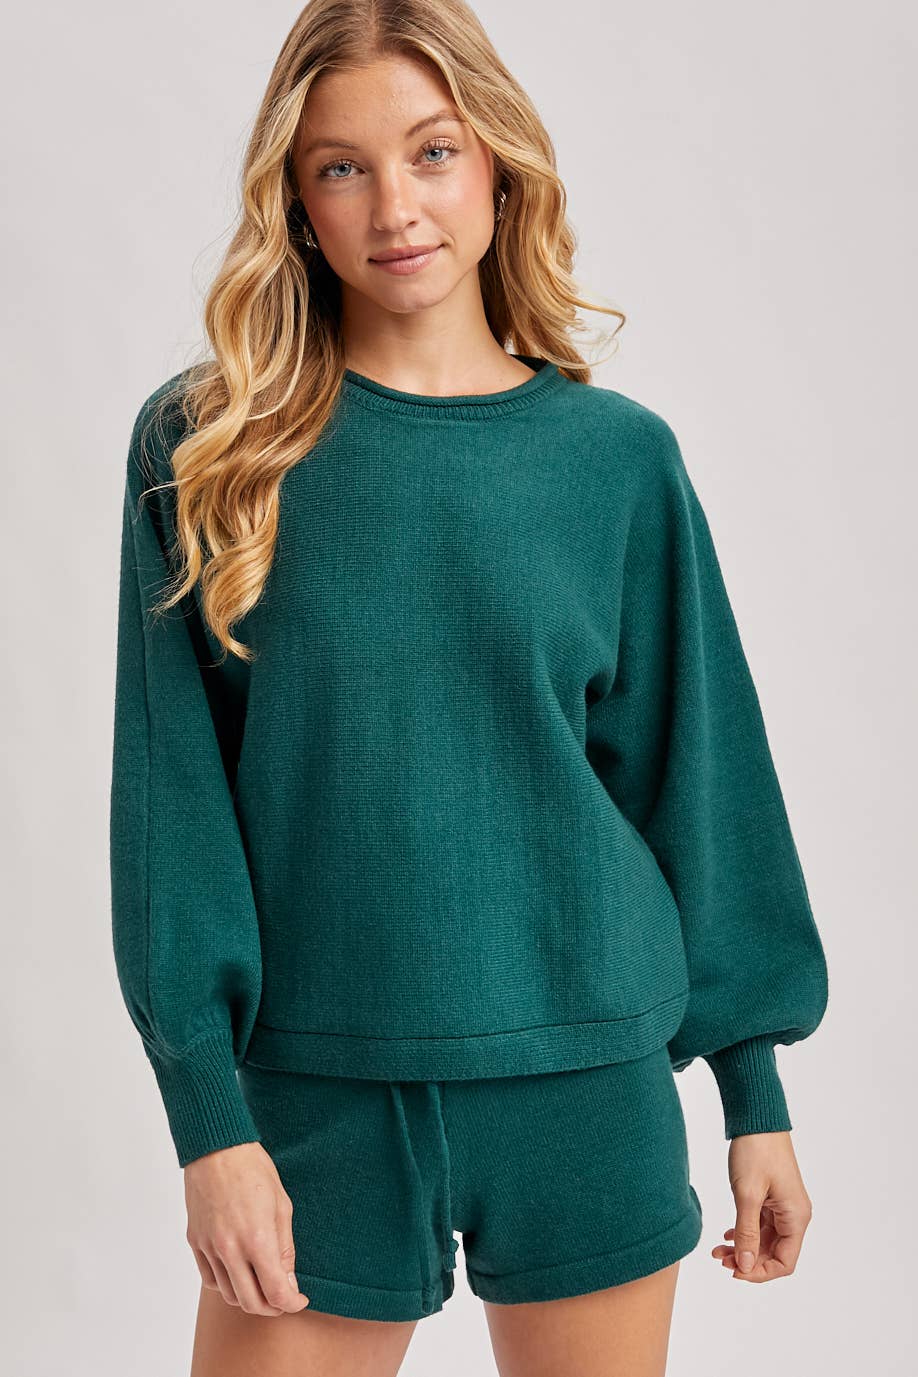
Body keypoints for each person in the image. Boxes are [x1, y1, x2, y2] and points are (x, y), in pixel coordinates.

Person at [108, 2, 830, 1373]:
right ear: (294, 197)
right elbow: (172, 808)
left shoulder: (614, 459)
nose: (395, 207)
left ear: (499, 166)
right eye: (342, 166)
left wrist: (755, 1093)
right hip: (316, 1094)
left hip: (587, 1082)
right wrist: (207, 1122)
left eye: (433, 152)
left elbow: (700, 778)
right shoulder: (206, 447)